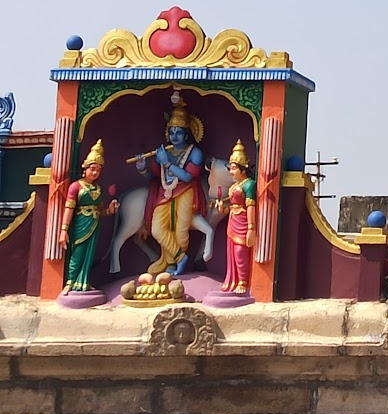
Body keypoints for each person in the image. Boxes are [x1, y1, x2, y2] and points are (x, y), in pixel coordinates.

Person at [134, 94, 206, 275]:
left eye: (179, 132)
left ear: (187, 133)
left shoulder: (194, 152)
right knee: (157, 229)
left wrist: (166, 163)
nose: (174, 136)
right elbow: (155, 176)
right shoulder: (164, 152)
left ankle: (173, 264)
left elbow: (188, 177)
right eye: (171, 132)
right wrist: (143, 168)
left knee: (181, 230)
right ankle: (181, 257)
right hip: (164, 193)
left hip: (186, 191)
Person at [60, 139, 117, 293]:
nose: (95, 173)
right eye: (93, 169)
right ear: (85, 168)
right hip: (80, 223)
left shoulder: (98, 188)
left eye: (98, 170)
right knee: (77, 254)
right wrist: (63, 230)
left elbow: (101, 210)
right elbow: (69, 208)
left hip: (94, 224)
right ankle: (70, 282)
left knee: (89, 256)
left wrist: (110, 210)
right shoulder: (76, 186)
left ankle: (83, 283)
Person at [212, 140, 257, 295]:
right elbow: (232, 208)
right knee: (232, 252)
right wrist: (222, 209)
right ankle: (234, 280)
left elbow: (251, 206)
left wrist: (251, 228)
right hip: (233, 221)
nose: (231, 172)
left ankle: (243, 281)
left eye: (233, 168)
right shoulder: (233, 187)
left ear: (242, 169)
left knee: (240, 252)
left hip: (244, 222)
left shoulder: (249, 185)